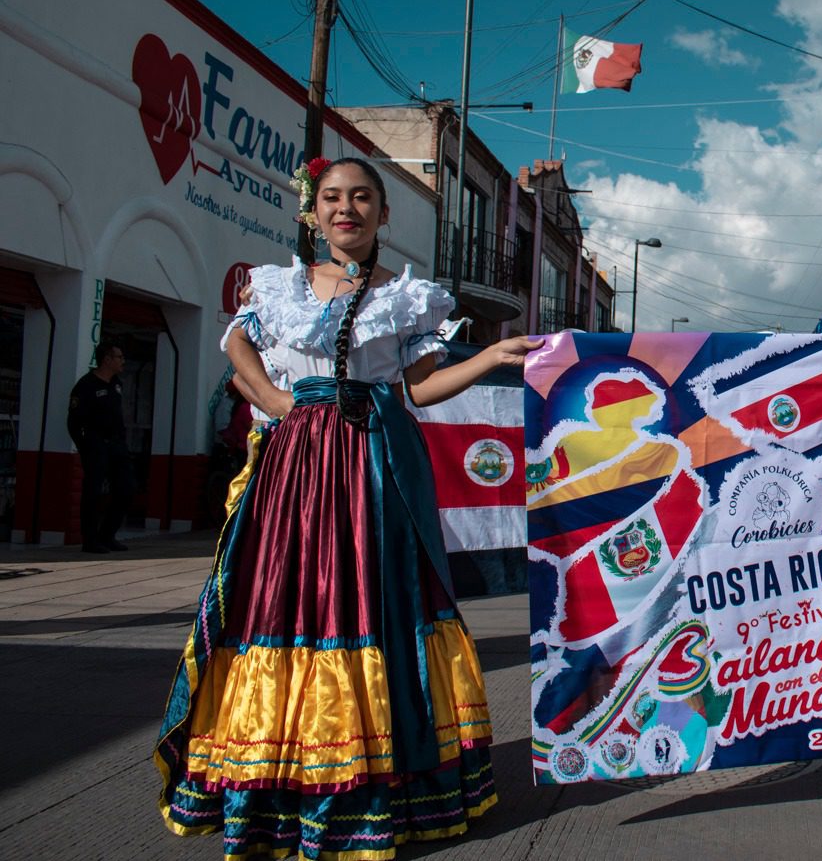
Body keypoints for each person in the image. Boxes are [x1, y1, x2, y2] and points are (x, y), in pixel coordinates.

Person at [154, 156, 540, 858]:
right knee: (282, 608)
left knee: (371, 607)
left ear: (383, 214)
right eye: (333, 197)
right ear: (314, 212)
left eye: (362, 198)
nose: (347, 209)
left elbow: (419, 389)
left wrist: (490, 358)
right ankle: (275, 783)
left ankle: (371, 781)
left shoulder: (406, 297)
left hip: (369, 471)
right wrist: (270, 399)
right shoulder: (276, 286)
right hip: (293, 473)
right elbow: (236, 339)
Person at [67, 340, 134, 552]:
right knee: (93, 492)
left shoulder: (116, 384)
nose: (123, 361)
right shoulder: (86, 385)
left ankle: (108, 535)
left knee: (126, 488)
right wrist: (85, 445)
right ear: (107, 360)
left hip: (116, 444)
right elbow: (74, 421)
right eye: (119, 357)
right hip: (95, 444)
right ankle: (90, 540)